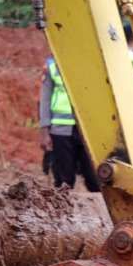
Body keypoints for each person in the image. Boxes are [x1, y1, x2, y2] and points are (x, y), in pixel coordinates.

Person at [39, 55, 100, 191]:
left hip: (89, 130)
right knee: (64, 181)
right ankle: (63, 211)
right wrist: (45, 130)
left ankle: (101, 210)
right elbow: (45, 99)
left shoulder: (94, 60)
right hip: (61, 130)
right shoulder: (52, 66)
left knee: (96, 179)